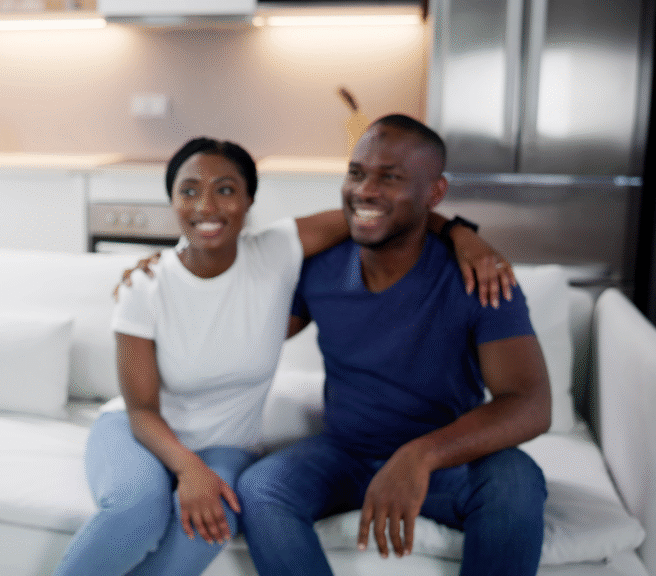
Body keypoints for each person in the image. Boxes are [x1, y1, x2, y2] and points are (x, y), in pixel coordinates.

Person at [52, 137, 516, 576]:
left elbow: (384, 212)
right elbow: (141, 411)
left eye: (225, 190)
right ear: (172, 201)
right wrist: (189, 470)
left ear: (250, 201)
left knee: (208, 526)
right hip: (141, 434)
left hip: (226, 447)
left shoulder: (277, 250)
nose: (206, 207)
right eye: (188, 191)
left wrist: (461, 233)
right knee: (138, 510)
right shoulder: (145, 285)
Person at [236, 115, 551, 576]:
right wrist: (170, 273)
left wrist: (419, 456)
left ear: (435, 193)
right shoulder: (320, 267)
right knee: (262, 488)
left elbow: (530, 403)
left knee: (517, 479)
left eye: (391, 177)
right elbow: (240, 326)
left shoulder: (478, 277)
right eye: (357, 173)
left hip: (447, 463)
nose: (365, 190)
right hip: (345, 456)